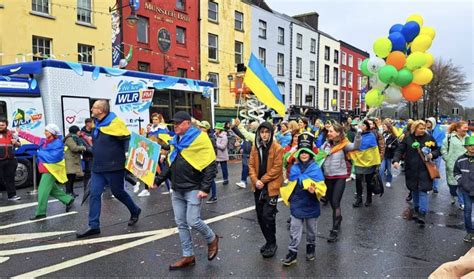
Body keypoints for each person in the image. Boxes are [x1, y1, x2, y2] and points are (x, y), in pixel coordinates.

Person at [153, 111, 219, 270]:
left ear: (187, 124)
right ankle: (188, 255)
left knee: (193, 220)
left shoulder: (201, 138)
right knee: (181, 223)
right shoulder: (175, 140)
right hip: (177, 188)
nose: (175, 126)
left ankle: (212, 238)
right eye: (173, 123)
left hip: (193, 188)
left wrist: (205, 188)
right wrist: (157, 180)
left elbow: (210, 165)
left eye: (178, 123)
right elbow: (170, 164)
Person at [76, 100, 141, 238]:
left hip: (114, 166)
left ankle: (135, 210)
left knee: (118, 192)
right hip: (98, 166)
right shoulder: (96, 124)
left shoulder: (116, 123)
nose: (91, 109)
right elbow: (99, 142)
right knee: (94, 193)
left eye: (94, 107)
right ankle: (93, 226)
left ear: (101, 110)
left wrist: (127, 153)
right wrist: (90, 151)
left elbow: (126, 138)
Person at [280, 133, 326, 266]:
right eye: (301, 152)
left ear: (311, 154)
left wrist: (315, 190)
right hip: (297, 203)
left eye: (306, 152)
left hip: (311, 204)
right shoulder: (294, 168)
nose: (304, 155)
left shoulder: (315, 169)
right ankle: (292, 253)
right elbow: (292, 183)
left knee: (311, 231)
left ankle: (311, 248)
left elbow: (321, 186)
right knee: (294, 230)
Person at [18, 124, 74, 219]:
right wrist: (20, 132)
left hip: (51, 170)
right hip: (45, 169)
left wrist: (39, 152)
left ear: (52, 133)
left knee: (42, 191)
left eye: (47, 131)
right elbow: (33, 138)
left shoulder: (58, 143)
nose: (45, 132)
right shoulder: (44, 141)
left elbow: (53, 158)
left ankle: (41, 213)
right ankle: (68, 200)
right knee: (52, 190)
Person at [393, 120, 440, 227]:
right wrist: (396, 160)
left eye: (424, 128)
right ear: (415, 128)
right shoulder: (408, 138)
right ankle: (417, 209)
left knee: (423, 190)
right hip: (411, 169)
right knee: (414, 189)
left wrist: (432, 154)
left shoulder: (429, 138)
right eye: (421, 128)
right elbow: (400, 150)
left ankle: (422, 213)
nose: (423, 130)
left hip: (425, 168)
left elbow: (437, 150)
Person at [320, 123, 361, 242]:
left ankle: (334, 230)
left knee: (335, 201)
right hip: (327, 177)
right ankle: (338, 218)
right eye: (329, 131)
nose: (329, 133)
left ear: (338, 133)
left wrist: (358, 133)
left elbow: (355, 146)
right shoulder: (326, 144)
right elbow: (319, 157)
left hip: (340, 177)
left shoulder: (344, 145)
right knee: (333, 203)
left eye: (332, 131)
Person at [249, 121, 284, 258]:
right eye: (262, 132)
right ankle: (268, 241)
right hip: (258, 186)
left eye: (266, 132)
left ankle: (272, 243)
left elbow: (277, 168)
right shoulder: (255, 147)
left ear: (271, 133)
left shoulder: (277, 148)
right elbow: (251, 165)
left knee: (268, 216)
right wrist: (255, 180)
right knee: (260, 216)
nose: (264, 135)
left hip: (271, 187)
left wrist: (262, 180)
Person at [349, 120, 381, 208]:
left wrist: (377, 163)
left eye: (362, 125)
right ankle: (359, 199)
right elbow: (354, 146)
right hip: (359, 161)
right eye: (359, 125)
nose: (360, 126)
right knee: (358, 180)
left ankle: (369, 198)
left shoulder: (371, 136)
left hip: (369, 162)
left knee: (369, 181)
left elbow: (374, 150)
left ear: (366, 127)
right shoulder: (357, 135)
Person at [441, 121, 468, 209]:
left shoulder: (468, 138)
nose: (466, 129)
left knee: (462, 184)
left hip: (465, 165)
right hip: (452, 164)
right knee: (452, 185)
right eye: (464, 127)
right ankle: (452, 194)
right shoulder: (449, 137)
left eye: (467, 127)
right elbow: (443, 149)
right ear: (458, 128)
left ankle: (461, 202)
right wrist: (447, 158)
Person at [453, 136, 474, 243]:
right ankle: (470, 232)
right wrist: (461, 181)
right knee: (467, 211)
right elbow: (456, 172)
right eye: (470, 145)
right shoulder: (461, 159)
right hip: (466, 190)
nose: (472, 147)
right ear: (466, 147)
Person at [0, 117, 21, 201]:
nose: (0, 126)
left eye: (2, 125)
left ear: (6, 125)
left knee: (10, 178)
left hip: (10, 160)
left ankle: (12, 195)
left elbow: (19, 144)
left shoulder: (12, 133)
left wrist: (16, 143)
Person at [64, 125, 86, 197]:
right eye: (78, 131)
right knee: (69, 178)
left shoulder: (75, 138)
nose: (79, 132)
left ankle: (71, 192)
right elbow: (74, 148)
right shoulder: (70, 139)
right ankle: (68, 192)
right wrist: (83, 147)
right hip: (70, 161)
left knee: (72, 177)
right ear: (75, 131)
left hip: (73, 160)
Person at [426, 117, 446, 193]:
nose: (427, 123)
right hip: (427, 153)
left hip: (437, 153)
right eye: (427, 122)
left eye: (429, 122)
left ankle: (435, 186)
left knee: (435, 169)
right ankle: (428, 186)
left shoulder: (440, 131)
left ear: (433, 123)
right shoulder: (425, 130)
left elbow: (442, 142)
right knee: (427, 169)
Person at [230, 122, 252, 189]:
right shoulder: (247, 135)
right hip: (246, 154)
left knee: (248, 168)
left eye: (251, 125)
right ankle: (243, 181)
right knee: (245, 167)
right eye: (249, 125)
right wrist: (234, 128)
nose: (249, 126)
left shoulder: (254, 135)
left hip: (251, 155)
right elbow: (240, 134)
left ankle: (245, 181)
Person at [380, 120, 399, 188]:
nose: (383, 127)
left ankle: (389, 181)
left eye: (384, 126)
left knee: (389, 169)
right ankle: (380, 182)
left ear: (388, 127)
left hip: (390, 155)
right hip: (383, 155)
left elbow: (397, 146)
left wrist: (391, 146)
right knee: (381, 169)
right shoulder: (383, 134)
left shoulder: (393, 136)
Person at [80, 118, 94, 193]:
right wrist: (94, 151)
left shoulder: (94, 131)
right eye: (92, 123)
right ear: (87, 124)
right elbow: (85, 146)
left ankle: (97, 187)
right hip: (88, 156)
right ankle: (87, 188)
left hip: (96, 154)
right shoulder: (82, 134)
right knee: (88, 173)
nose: (93, 124)